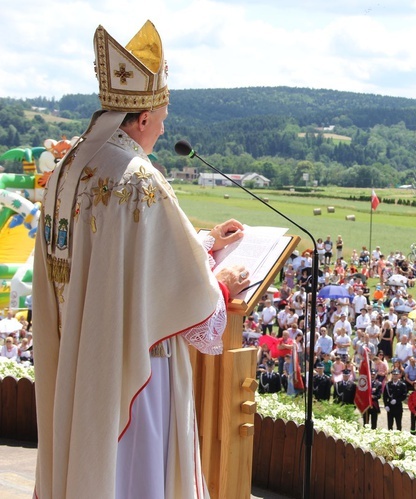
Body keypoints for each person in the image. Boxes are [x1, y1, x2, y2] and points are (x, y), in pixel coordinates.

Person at [32, 21, 254, 499]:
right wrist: (221, 285)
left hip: (79, 353)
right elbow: (172, 292)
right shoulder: (138, 177)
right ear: (144, 116)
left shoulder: (73, 164)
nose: (166, 122)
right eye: (164, 110)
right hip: (136, 365)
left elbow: (120, 256)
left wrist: (205, 241)